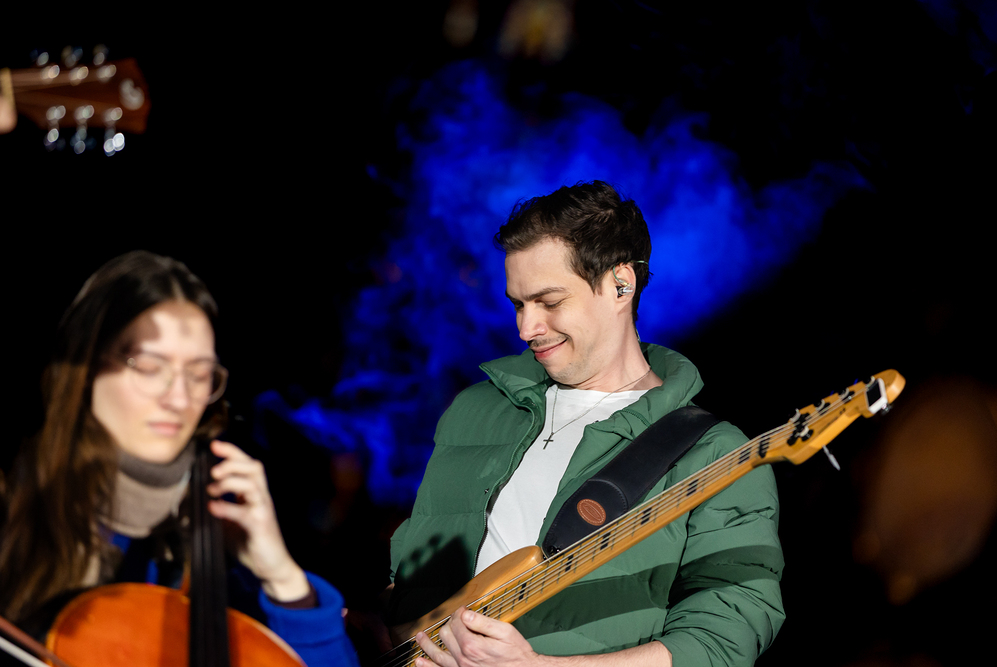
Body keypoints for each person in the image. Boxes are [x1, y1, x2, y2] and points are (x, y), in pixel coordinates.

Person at [387, 182, 784, 666]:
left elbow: (725, 636)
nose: (526, 328)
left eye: (549, 302)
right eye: (518, 304)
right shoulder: (474, 410)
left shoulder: (715, 452)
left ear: (621, 285)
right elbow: (407, 583)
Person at [0, 251, 358, 667]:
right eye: (151, 366)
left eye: (199, 374)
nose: (179, 398)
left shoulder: (220, 531)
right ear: (88, 366)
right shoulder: (11, 502)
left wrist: (282, 576)